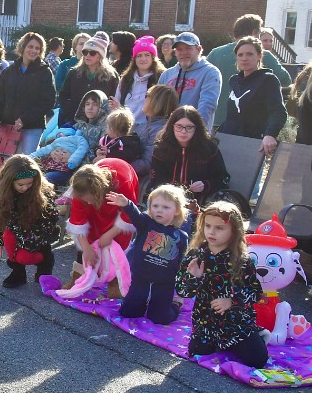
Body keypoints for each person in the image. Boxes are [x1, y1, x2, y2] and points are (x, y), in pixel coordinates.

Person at [176, 200, 268, 368]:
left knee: (258, 360)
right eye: (208, 226)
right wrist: (194, 278)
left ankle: (256, 335)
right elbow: (182, 291)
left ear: (234, 231)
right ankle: (222, 344)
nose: (211, 232)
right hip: (206, 323)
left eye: (219, 228)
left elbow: (255, 292)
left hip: (237, 323)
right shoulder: (196, 255)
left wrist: (231, 301)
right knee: (197, 354)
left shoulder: (243, 260)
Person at [108, 184, 191, 325]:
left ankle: (175, 305)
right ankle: (139, 303)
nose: (159, 210)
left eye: (166, 207)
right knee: (128, 313)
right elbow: (136, 215)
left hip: (164, 284)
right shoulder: (145, 224)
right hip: (140, 279)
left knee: (161, 319)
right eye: (155, 206)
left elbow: (181, 262)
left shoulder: (181, 236)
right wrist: (127, 204)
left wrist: (182, 282)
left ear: (176, 210)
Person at [65, 157, 139, 292]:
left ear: (97, 193)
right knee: (90, 232)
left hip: (117, 197)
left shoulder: (123, 183)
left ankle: (116, 282)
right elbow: (78, 222)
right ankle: (78, 276)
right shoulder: (80, 190)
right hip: (98, 193)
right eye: (84, 201)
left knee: (119, 241)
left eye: (88, 200)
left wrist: (110, 235)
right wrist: (86, 249)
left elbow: (127, 215)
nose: (87, 203)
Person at [206, 14, 292, 128]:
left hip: (214, 122)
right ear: (255, 32)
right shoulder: (264, 55)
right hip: (247, 128)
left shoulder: (214, 53)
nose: (244, 58)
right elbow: (286, 80)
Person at [0, 154, 61, 288]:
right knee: (12, 244)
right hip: (17, 229)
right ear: (9, 182)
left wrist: (34, 238)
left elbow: (52, 218)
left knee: (41, 253)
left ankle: (44, 271)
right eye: (20, 184)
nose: (25, 188)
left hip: (40, 230)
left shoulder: (43, 193)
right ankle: (18, 273)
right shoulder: (4, 194)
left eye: (30, 183)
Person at [219, 36, 287, 156]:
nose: (244, 58)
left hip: (252, 143)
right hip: (228, 140)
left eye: (249, 54)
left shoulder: (268, 79)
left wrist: (270, 135)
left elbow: (278, 112)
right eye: (240, 55)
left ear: (259, 55)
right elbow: (233, 115)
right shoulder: (234, 80)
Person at [149, 105, 229, 205]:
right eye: (179, 126)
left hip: (200, 202)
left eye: (189, 127)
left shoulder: (209, 149)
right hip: (168, 201)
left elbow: (222, 178)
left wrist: (205, 185)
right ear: (172, 126)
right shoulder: (161, 149)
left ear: (197, 128)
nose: (183, 131)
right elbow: (156, 181)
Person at [0, 31, 55, 154]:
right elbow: (0, 97)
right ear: (23, 47)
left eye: (37, 48)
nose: (34, 50)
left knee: (26, 163)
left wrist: (25, 119)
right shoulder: (9, 71)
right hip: (8, 126)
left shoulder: (45, 72)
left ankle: (25, 175)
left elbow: (48, 101)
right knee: (7, 163)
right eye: (30, 46)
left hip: (32, 127)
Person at [57, 35, 118, 125]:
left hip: (101, 124)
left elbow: (115, 99)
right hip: (74, 122)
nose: (87, 55)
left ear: (101, 55)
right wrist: (72, 114)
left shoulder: (111, 76)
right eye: (85, 52)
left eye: (92, 53)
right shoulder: (74, 73)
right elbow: (63, 96)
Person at [111, 35, 164, 124]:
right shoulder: (126, 79)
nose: (143, 59)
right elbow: (118, 100)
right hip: (126, 126)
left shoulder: (161, 78)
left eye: (147, 55)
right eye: (139, 56)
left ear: (153, 58)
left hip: (149, 129)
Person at [133, 84, 178, 179]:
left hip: (144, 182)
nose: (144, 99)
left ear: (157, 102)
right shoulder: (143, 125)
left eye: (147, 96)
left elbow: (147, 164)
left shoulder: (160, 130)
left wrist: (117, 163)